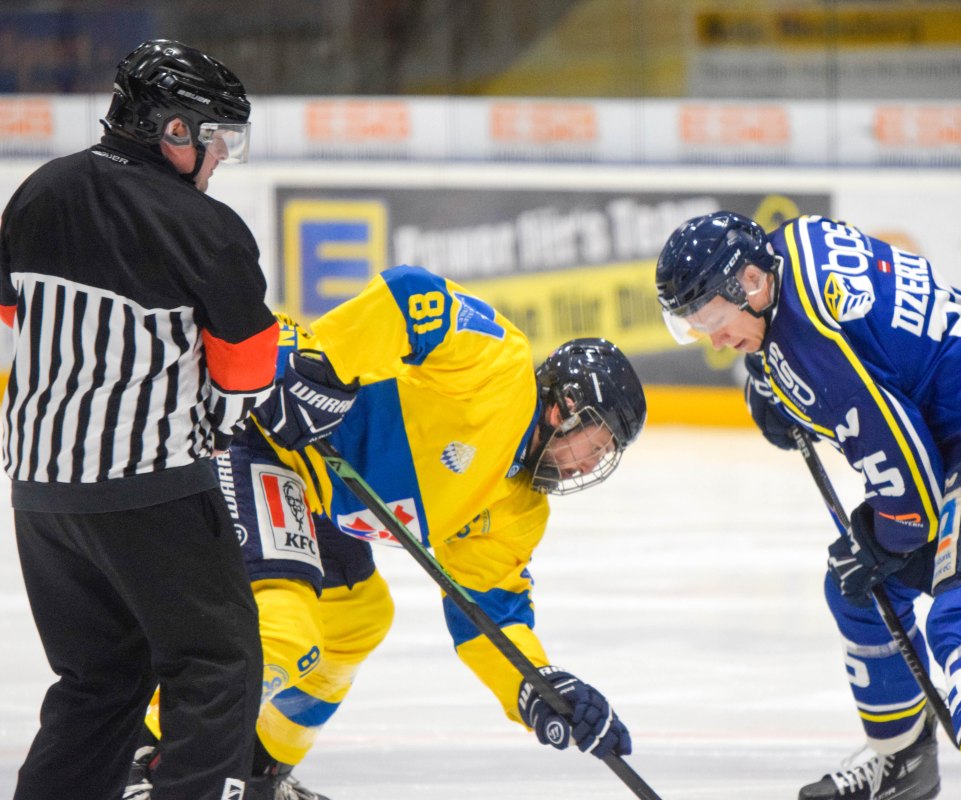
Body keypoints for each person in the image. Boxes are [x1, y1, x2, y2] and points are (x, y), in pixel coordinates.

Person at [126, 263, 647, 799]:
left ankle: (260, 772)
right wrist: (323, 367)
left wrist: (538, 688)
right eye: (598, 441)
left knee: (357, 618)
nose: (591, 464)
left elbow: (489, 619)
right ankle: (146, 759)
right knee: (286, 627)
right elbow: (412, 295)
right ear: (564, 407)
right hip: (267, 430)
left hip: (319, 494)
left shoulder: (520, 510)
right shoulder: (500, 367)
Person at [655, 211, 961, 800]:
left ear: (753, 285)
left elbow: (910, 500)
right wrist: (773, 376)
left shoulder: (813, 346)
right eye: (695, 325)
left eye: (712, 317)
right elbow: (867, 343)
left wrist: (885, 536)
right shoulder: (788, 244)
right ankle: (903, 759)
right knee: (858, 586)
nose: (712, 337)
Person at [0, 39, 278, 800]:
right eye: (215, 135)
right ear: (173, 130)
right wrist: (220, 416)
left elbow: (7, 317)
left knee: (100, 679)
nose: (221, 154)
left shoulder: (37, 191)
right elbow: (249, 361)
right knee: (217, 666)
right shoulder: (203, 225)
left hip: (40, 494)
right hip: (149, 487)